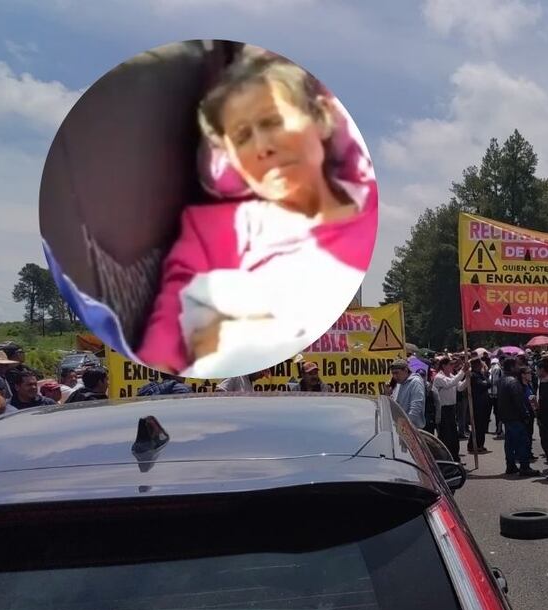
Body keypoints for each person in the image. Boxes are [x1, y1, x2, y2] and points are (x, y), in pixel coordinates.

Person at [135, 53, 378, 377]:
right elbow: (166, 344)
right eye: (241, 137)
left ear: (321, 118)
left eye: (272, 122)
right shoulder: (208, 234)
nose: (260, 148)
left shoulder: (364, 220)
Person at [497, 357, 538, 476]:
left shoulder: (501, 380)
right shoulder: (513, 382)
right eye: (516, 365)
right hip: (515, 417)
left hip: (507, 417)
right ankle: (524, 467)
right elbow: (518, 401)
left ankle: (510, 466)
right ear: (511, 367)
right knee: (522, 442)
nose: (518, 368)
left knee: (509, 443)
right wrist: (525, 415)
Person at [433, 356, 468, 459]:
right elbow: (449, 384)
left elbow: (460, 387)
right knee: (446, 436)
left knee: (453, 436)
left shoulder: (451, 375)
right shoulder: (439, 377)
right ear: (444, 366)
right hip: (443, 410)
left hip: (452, 408)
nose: (452, 366)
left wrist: (467, 378)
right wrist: (462, 371)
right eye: (450, 364)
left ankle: (455, 457)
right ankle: (446, 459)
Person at [390, 358, 426, 429]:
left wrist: (406, 425)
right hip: (401, 427)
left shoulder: (415, 382)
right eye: (393, 373)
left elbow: (416, 407)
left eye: (397, 373)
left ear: (406, 370)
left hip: (412, 428)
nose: (394, 376)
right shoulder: (400, 383)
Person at [468, 357, 492, 454]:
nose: (480, 366)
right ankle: (474, 445)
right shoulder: (473, 375)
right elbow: (482, 385)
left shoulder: (480, 374)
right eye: (479, 364)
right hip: (477, 404)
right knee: (478, 426)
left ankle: (480, 444)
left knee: (482, 426)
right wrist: (485, 382)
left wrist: (485, 380)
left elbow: (489, 383)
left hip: (484, 403)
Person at [490, 356, 505, 439]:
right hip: (497, 393)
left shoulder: (497, 368)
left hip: (495, 393)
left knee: (498, 413)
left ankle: (499, 429)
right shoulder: (497, 369)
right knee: (498, 413)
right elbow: (495, 381)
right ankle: (499, 430)